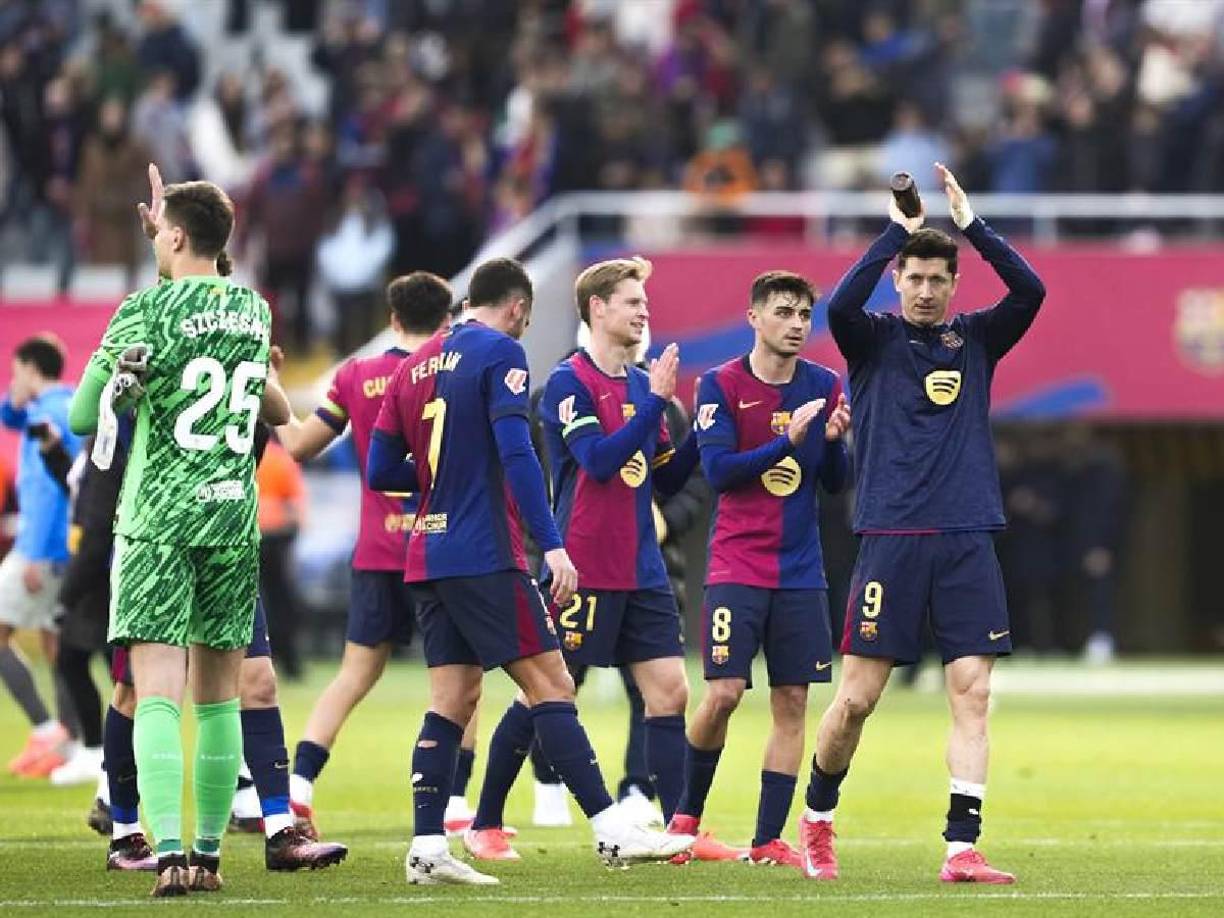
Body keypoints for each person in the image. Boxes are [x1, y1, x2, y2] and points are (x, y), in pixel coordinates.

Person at [367, 257, 693, 885]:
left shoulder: (414, 364)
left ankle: (428, 847)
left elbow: (382, 470)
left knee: (453, 700)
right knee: (552, 684)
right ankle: (610, 828)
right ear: (517, 307)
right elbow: (518, 455)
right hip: (485, 553)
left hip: (428, 551)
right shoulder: (502, 354)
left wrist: (445, 478)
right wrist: (552, 545)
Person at [801, 163, 1045, 883]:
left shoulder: (977, 339)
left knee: (973, 691)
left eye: (940, 278)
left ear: (954, 284)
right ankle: (817, 817)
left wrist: (971, 224)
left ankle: (961, 846)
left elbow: (1031, 291)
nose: (928, 289)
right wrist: (896, 231)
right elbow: (839, 305)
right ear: (898, 280)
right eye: (916, 277)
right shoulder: (871, 340)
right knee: (857, 700)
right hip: (892, 536)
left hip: (968, 534)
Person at [68, 164, 292, 897]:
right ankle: (208, 857)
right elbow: (213, 321)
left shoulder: (143, 310)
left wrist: (123, 380)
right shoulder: (254, 311)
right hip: (231, 517)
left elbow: (82, 417)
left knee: (158, 692)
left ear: (170, 236)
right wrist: (172, 243)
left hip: (159, 521)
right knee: (221, 699)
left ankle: (167, 854)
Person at [463, 257, 708, 863]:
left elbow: (664, 477)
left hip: (643, 568)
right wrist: (655, 405)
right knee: (546, 693)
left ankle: (682, 832)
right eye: (632, 302)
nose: (644, 312)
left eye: (644, 302)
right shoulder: (568, 383)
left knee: (670, 692)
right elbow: (598, 461)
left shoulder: (641, 385)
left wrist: (706, 430)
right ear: (598, 308)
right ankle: (485, 821)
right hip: (583, 568)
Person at [276, 272, 481, 839]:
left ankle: (298, 788)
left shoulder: (355, 375)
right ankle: (455, 802)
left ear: (392, 319)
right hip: (441, 550)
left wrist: (271, 389)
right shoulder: (457, 372)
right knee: (461, 681)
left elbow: (298, 445)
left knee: (353, 675)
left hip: (376, 552)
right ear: (447, 321)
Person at [676, 270, 851, 869]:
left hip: (800, 570)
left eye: (804, 314)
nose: (797, 325)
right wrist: (788, 440)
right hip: (737, 562)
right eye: (783, 312)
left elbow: (834, 483)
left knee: (793, 700)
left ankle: (767, 840)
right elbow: (719, 472)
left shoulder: (824, 384)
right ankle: (684, 821)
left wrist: (835, 442)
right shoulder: (719, 384)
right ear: (754, 317)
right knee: (724, 693)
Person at [2, 335, 81, 778]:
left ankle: (48, 730)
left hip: (42, 547)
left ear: (31, 369)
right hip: (61, 547)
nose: (13, 381)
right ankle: (69, 740)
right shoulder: (63, 406)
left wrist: (36, 553)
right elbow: (9, 415)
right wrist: (14, 398)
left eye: (16, 372)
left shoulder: (48, 415)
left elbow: (54, 489)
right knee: (56, 644)